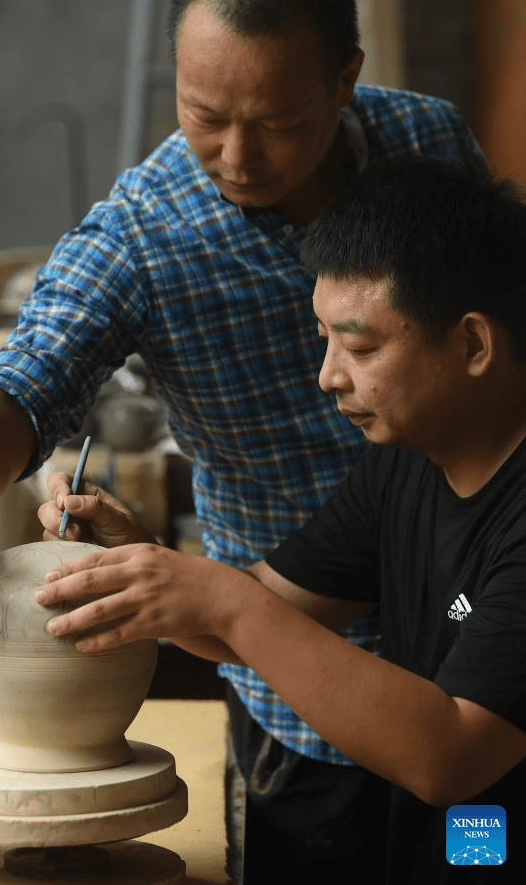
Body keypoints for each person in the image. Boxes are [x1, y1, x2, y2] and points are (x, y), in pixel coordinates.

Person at [0, 0, 487, 877]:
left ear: (345, 82)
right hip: (296, 670)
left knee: (479, 842)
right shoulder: (146, 228)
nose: (237, 154)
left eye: (280, 121)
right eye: (205, 114)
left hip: (472, 640)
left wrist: (210, 595)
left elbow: (450, 755)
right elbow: (33, 367)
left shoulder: (428, 145)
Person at [34, 158, 526, 883]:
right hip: (471, 842)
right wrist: (139, 566)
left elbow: (449, 756)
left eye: (358, 347)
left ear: (472, 344)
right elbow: (261, 611)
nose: (328, 374)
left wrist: (220, 598)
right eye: (323, 339)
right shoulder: (409, 458)